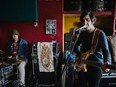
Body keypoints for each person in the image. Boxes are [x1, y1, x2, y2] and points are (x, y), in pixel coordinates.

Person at [73, 11, 112, 87]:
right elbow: (76, 46)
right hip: (83, 64)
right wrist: (79, 55)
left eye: (87, 20)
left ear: (92, 21)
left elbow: (106, 51)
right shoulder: (82, 33)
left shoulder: (100, 34)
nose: (85, 22)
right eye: (83, 20)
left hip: (96, 66)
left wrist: (107, 62)